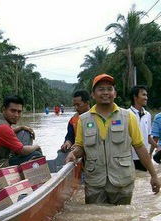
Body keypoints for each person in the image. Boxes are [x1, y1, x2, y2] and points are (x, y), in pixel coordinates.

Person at [65, 73, 160, 205]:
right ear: (93, 94)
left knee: (123, 220)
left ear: (115, 93)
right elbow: (80, 147)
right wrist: (73, 153)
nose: (105, 92)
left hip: (122, 183)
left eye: (109, 89)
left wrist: (154, 175)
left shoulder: (128, 117)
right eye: (101, 89)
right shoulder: (83, 120)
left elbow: (139, 147)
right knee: (97, 220)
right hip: (95, 184)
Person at [129, 85, 159, 171]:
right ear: (135, 97)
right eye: (143, 95)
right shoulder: (127, 115)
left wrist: (157, 147)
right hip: (130, 158)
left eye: (146, 95)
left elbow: (148, 137)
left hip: (143, 157)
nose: (146, 98)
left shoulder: (148, 115)